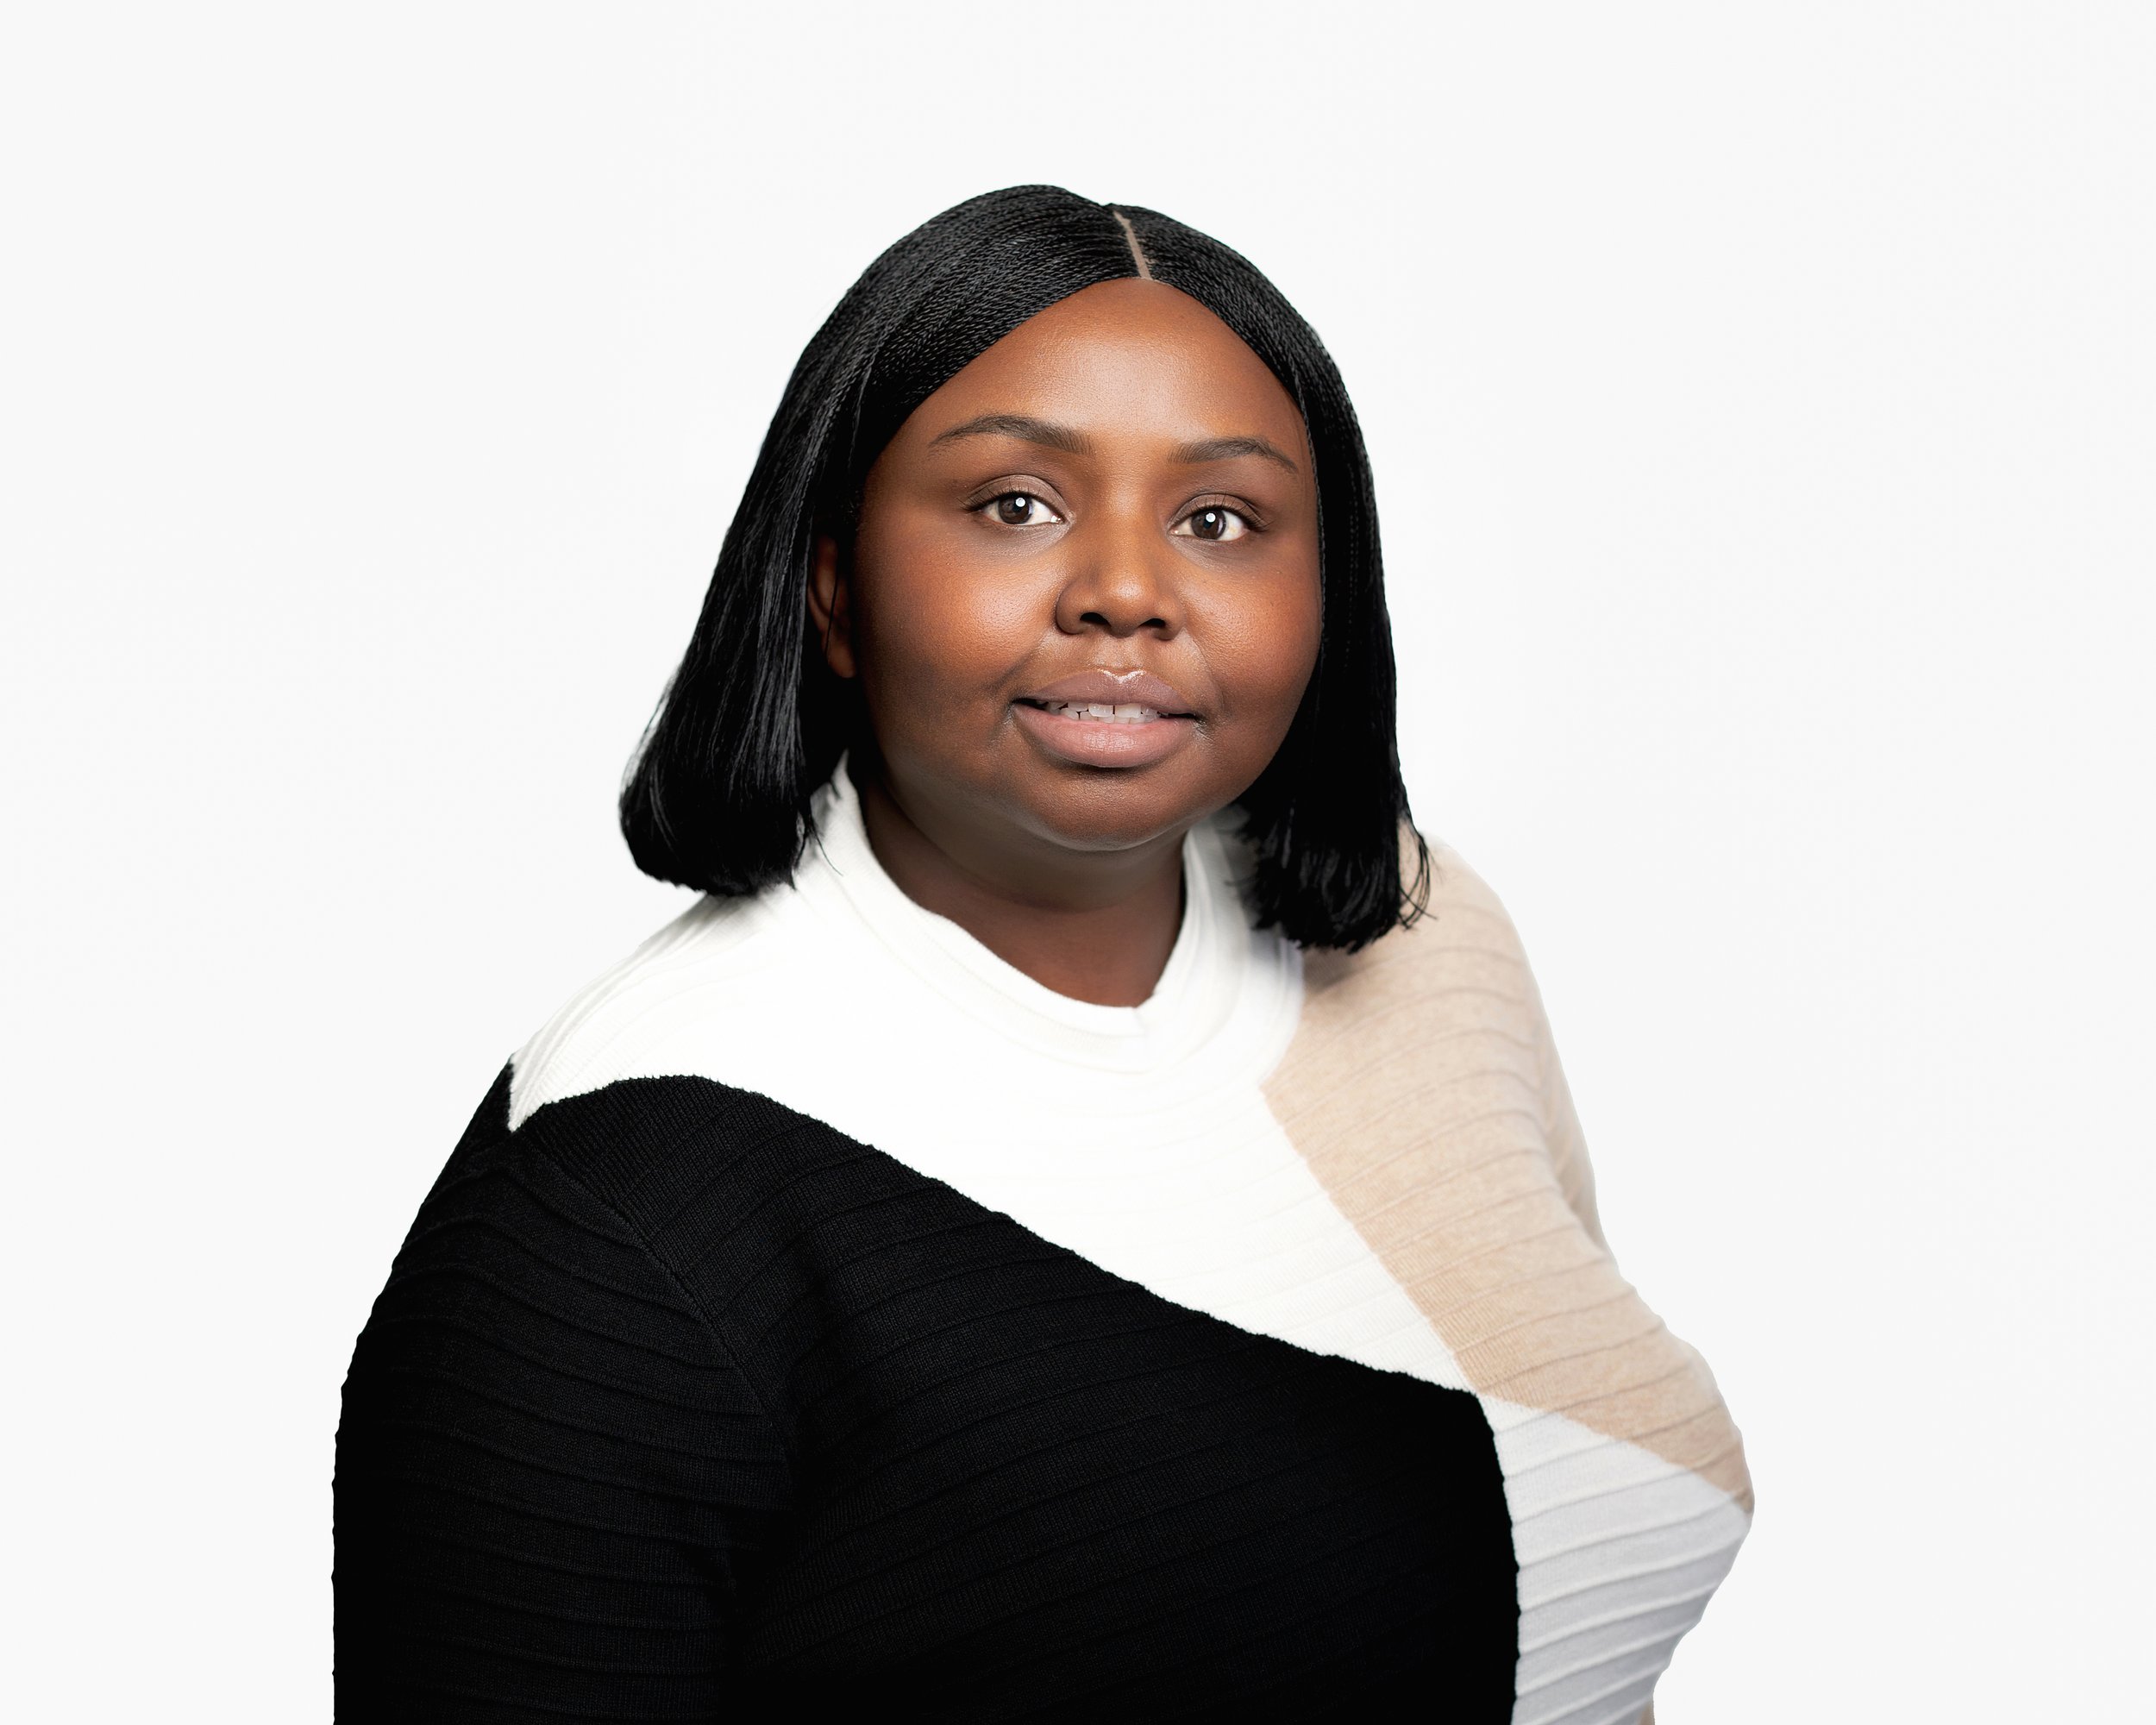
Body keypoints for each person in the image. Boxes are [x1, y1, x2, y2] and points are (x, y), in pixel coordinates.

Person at [334, 185, 1750, 1722]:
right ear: (833, 588)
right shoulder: (624, 1207)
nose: (1128, 592)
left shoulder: (1428, 936)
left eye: (1220, 521)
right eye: (1016, 503)